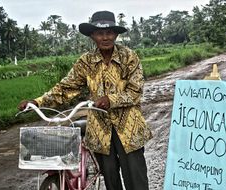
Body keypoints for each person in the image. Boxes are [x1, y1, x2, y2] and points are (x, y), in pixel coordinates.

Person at [18, 10, 152, 190]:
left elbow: (136, 91)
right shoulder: (86, 62)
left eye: (110, 32)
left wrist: (110, 99)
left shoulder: (129, 57)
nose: (105, 37)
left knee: (136, 180)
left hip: (129, 127)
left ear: (116, 34)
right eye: (100, 33)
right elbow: (66, 87)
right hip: (100, 130)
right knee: (111, 179)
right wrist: (38, 101)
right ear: (92, 35)